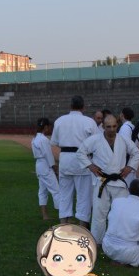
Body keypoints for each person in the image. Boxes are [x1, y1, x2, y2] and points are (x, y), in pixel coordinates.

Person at [78, 112, 139, 244]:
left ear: (117, 125)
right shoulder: (95, 139)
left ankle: (120, 240)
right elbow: (81, 152)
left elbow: (136, 153)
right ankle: (97, 241)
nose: (112, 129)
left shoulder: (123, 140)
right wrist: (91, 166)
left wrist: (129, 167)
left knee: (121, 213)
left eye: (114, 126)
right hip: (102, 182)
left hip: (119, 182)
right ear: (103, 126)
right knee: (99, 214)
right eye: (108, 127)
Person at [50, 96, 99, 224]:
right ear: (83, 107)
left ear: (70, 106)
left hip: (65, 159)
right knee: (84, 196)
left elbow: (55, 142)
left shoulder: (60, 121)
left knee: (64, 195)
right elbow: (97, 143)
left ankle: (63, 225)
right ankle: (82, 227)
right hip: (83, 160)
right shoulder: (89, 122)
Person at [101, 180, 139, 272]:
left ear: (129, 189)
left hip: (107, 246)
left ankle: (119, 259)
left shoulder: (116, 202)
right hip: (128, 252)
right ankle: (124, 261)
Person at [32, 117, 59, 221]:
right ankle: (64, 216)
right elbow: (48, 156)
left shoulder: (35, 138)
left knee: (42, 191)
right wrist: (55, 168)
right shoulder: (44, 139)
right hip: (45, 166)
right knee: (56, 191)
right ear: (46, 127)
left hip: (39, 166)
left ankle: (45, 215)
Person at [118, 107, 139, 185]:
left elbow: (124, 147)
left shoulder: (125, 128)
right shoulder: (133, 127)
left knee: (125, 186)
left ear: (122, 115)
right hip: (131, 162)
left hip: (126, 163)